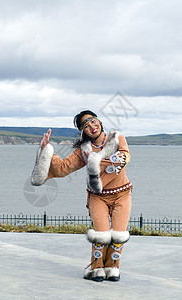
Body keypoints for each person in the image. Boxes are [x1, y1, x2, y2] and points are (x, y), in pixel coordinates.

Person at [31, 110, 132, 282]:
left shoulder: (117, 139)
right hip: (97, 196)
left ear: (99, 121)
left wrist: (97, 159)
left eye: (93, 121)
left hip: (122, 193)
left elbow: (125, 157)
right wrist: (45, 149)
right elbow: (63, 168)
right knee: (100, 235)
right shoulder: (83, 151)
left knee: (118, 234)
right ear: (83, 132)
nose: (92, 127)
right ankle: (97, 268)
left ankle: (112, 267)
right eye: (85, 126)